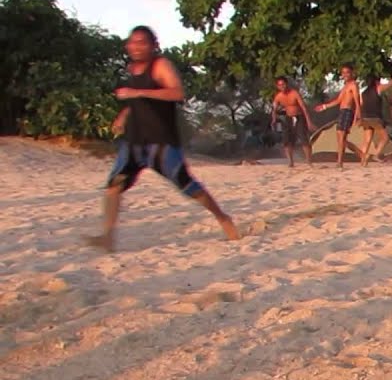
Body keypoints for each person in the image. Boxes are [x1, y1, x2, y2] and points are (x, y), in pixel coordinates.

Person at [87, 25, 239, 252]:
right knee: (114, 186)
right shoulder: (132, 69)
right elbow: (137, 102)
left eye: (142, 42)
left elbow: (177, 93)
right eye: (133, 42)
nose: (136, 47)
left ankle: (222, 218)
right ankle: (108, 237)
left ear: (152, 45)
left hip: (161, 142)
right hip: (134, 140)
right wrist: (124, 114)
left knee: (188, 187)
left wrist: (137, 93)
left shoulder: (160, 66)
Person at [314, 64, 363, 169]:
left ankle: (340, 162)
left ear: (352, 73)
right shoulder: (345, 86)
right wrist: (324, 106)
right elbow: (338, 101)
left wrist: (357, 115)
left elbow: (357, 101)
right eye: (343, 72)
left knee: (342, 137)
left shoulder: (353, 85)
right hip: (342, 111)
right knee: (341, 139)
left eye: (347, 72)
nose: (345, 74)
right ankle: (361, 154)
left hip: (348, 112)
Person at [271, 76, 314, 167]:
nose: (282, 87)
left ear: (286, 84)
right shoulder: (278, 97)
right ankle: (290, 162)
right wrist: (274, 119)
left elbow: (303, 107)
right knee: (287, 140)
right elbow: (274, 109)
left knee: (303, 139)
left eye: (283, 84)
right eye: (280, 85)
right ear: (277, 86)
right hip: (288, 118)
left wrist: (308, 121)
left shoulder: (294, 93)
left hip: (299, 117)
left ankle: (309, 161)